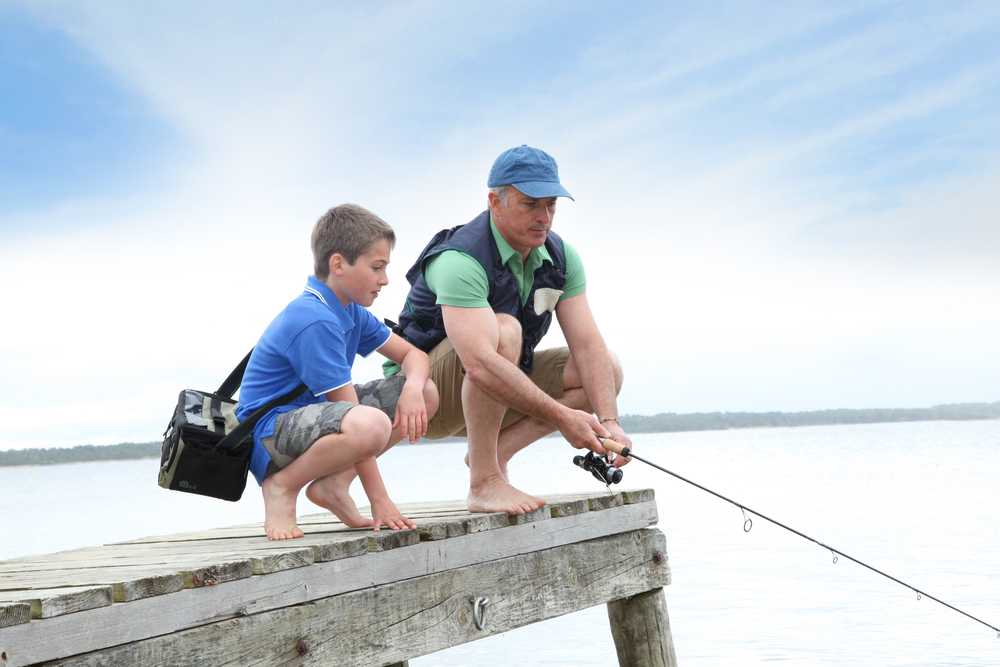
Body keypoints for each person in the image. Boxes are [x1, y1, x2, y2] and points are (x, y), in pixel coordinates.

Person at [386, 145, 631, 516]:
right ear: (495, 202)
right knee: (506, 330)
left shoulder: (563, 258)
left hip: (496, 387)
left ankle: (495, 455)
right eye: (530, 204)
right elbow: (481, 364)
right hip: (422, 397)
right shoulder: (459, 259)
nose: (543, 216)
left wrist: (609, 423)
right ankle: (484, 484)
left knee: (606, 370)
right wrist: (563, 419)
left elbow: (588, 345)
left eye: (550, 204)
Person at [237, 204, 439, 540]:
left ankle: (334, 483)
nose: (385, 280)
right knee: (369, 423)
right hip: (268, 434)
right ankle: (282, 488)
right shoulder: (314, 319)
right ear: (338, 264)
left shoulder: (350, 310)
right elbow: (353, 415)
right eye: (377, 267)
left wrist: (415, 388)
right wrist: (381, 500)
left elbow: (412, 355)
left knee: (426, 392)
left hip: (312, 423)